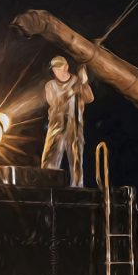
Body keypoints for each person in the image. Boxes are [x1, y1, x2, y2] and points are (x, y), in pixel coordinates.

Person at [41, 55, 94, 186]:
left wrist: (84, 83)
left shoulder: (77, 81)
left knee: (76, 159)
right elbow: (55, 103)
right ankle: (48, 187)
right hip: (56, 126)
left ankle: (77, 189)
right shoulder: (50, 85)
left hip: (74, 125)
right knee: (49, 160)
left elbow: (89, 98)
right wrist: (71, 92)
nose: (57, 71)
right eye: (54, 69)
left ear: (66, 67)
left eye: (59, 67)